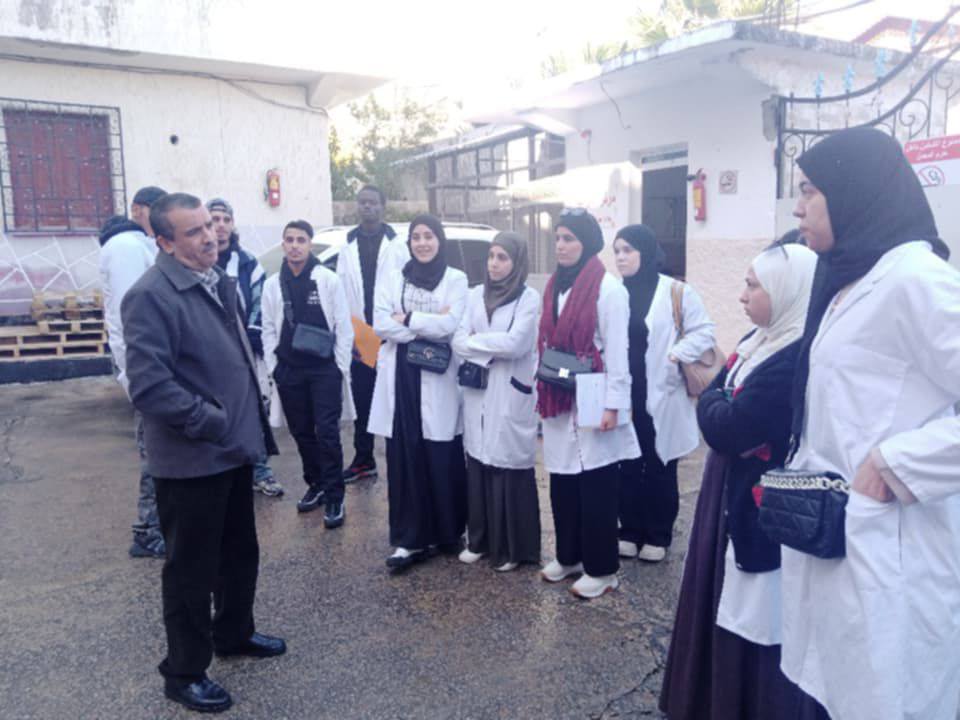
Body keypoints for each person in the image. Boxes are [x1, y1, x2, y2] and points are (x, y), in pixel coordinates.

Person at [782, 127, 960, 720]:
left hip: (894, 548)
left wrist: (894, 464)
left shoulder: (916, 279)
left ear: (855, 191)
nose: (798, 207)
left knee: (884, 697)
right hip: (839, 539)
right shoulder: (845, 280)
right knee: (838, 689)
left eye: (811, 190)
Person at [122, 193, 285, 714]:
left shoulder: (216, 279)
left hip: (232, 450)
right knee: (191, 570)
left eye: (210, 226)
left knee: (239, 553)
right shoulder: (151, 296)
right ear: (165, 243)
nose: (210, 236)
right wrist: (209, 419)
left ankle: (233, 633)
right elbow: (149, 387)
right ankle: (184, 672)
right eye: (193, 231)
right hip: (191, 460)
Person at [658, 240, 818, 719]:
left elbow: (727, 425)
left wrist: (718, 403)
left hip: (755, 502)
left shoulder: (793, 355)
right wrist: (720, 403)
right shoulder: (757, 340)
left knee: (755, 612)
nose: (742, 296)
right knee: (718, 595)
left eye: (753, 286)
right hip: (726, 486)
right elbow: (717, 399)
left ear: (787, 291)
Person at [538, 209, 640, 599]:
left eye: (570, 239)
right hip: (559, 393)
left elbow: (617, 352)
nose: (561, 246)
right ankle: (570, 556)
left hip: (594, 395)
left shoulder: (609, 289)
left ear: (588, 243)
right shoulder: (554, 285)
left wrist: (614, 406)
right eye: (558, 238)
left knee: (597, 484)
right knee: (563, 480)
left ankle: (602, 569)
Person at [368, 214, 468, 571]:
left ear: (440, 239)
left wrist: (407, 318)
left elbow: (450, 325)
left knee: (441, 454)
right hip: (401, 377)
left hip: (438, 376)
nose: (422, 243)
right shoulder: (394, 277)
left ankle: (447, 533)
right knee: (404, 456)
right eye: (416, 237)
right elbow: (380, 323)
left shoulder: (456, 279)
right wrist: (426, 324)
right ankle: (409, 539)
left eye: (429, 236)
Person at [612, 225, 716, 563]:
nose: (621, 257)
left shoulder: (676, 291)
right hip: (626, 395)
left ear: (645, 251)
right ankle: (629, 531)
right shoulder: (615, 292)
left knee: (660, 464)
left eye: (628, 250)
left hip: (663, 394)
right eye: (617, 251)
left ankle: (658, 535)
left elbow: (704, 332)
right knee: (627, 464)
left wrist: (676, 355)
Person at [452, 231, 541, 572]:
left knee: (506, 465)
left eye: (503, 258)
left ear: (516, 262)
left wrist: (477, 342)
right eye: (491, 256)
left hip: (510, 391)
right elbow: (458, 340)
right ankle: (479, 541)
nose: (494, 264)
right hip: (478, 393)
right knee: (478, 460)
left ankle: (511, 550)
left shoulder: (528, 298)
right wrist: (489, 343)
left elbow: (517, 344)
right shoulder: (475, 294)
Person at [261, 220, 354, 527]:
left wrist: (339, 367)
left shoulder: (327, 280)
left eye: (301, 239)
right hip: (289, 371)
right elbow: (268, 329)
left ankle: (335, 495)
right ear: (283, 244)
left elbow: (343, 326)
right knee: (301, 432)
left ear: (310, 244)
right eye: (289, 240)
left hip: (324, 370)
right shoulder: (273, 284)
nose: (295, 245)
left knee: (327, 433)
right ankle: (316, 483)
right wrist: (275, 367)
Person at [99, 184, 167, 559]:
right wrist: (136, 377)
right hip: (144, 369)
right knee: (153, 449)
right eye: (157, 209)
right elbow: (131, 316)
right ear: (138, 210)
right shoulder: (125, 246)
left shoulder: (141, 244)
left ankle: (159, 526)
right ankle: (147, 531)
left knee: (162, 447)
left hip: (151, 366)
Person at [207, 197, 283, 498]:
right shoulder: (199, 261)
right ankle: (223, 470)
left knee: (253, 408)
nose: (221, 226)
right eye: (214, 220)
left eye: (226, 220)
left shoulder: (247, 262)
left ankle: (260, 470)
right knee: (216, 409)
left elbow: (259, 300)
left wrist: (252, 335)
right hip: (209, 351)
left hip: (244, 349)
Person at [337, 186, 409, 484]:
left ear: (383, 206)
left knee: (396, 400)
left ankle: (400, 459)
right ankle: (364, 460)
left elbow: (406, 289)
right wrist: (349, 336)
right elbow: (341, 293)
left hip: (390, 334)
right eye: (362, 202)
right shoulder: (347, 244)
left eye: (373, 202)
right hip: (360, 337)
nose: (367, 207)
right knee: (362, 401)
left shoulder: (398, 244)